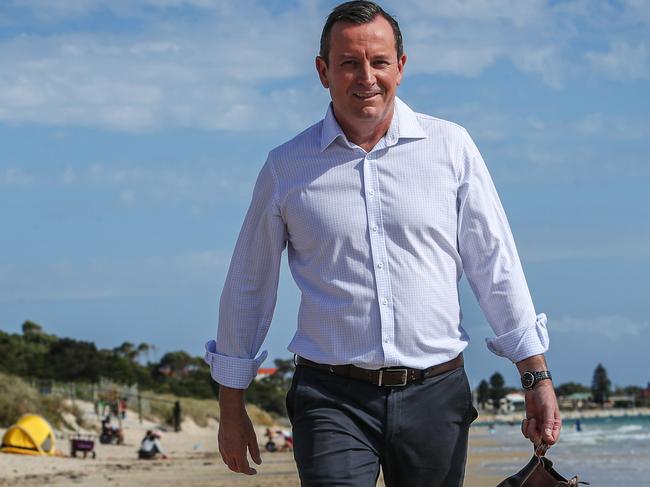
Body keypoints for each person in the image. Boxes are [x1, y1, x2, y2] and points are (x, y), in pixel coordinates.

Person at [204, 1, 561, 485]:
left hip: (436, 394)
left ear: (401, 66)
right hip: (330, 398)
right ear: (323, 71)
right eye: (349, 63)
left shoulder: (451, 147)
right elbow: (249, 286)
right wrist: (231, 405)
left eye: (379, 62)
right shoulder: (286, 167)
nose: (366, 77)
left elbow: (494, 264)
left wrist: (535, 376)